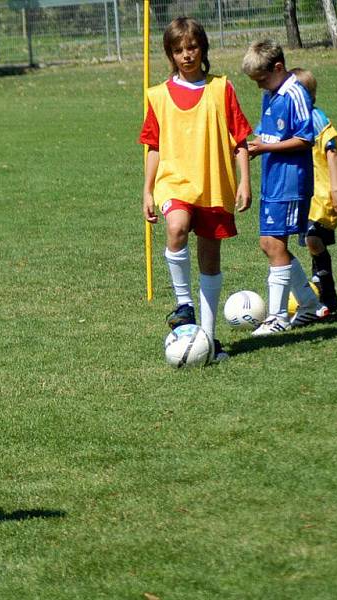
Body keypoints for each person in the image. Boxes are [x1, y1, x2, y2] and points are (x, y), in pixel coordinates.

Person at [140, 17, 252, 361]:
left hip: (213, 184)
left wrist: (245, 180)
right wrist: (147, 190)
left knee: (210, 257)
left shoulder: (221, 88)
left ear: (202, 48)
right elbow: (153, 145)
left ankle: (208, 335)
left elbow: (240, 141)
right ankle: (183, 304)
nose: (186, 55)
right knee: (176, 227)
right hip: (174, 181)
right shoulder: (158, 96)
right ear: (170, 55)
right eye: (178, 50)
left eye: (191, 47)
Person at [242, 40, 329, 336]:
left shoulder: (295, 93)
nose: (258, 86)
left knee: (275, 245)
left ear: (278, 67)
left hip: (290, 181)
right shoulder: (271, 93)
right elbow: (267, 135)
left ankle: (278, 317)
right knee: (269, 244)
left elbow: (306, 139)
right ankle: (307, 305)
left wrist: (265, 148)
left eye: (262, 79)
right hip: (272, 179)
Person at [290, 67, 337, 312]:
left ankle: (328, 296)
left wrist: (335, 192)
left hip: (324, 194)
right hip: (306, 195)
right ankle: (321, 291)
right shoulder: (296, 122)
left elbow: (331, 153)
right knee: (312, 242)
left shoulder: (316, 119)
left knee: (313, 238)